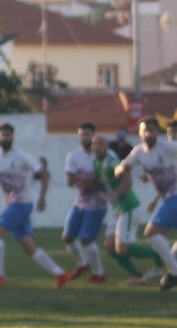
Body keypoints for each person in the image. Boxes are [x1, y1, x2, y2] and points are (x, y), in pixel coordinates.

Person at [0, 122, 69, 288]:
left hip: (22, 203)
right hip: (12, 204)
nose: (5, 137)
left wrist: (42, 198)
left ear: (12, 137)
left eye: (8, 135)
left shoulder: (21, 155)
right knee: (28, 246)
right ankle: (61, 274)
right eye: (2, 135)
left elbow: (44, 174)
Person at [115, 116, 177, 289]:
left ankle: (173, 271)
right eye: (145, 130)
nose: (148, 133)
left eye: (152, 130)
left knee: (151, 232)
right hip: (168, 197)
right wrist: (120, 170)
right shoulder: (139, 152)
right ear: (140, 133)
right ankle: (172, 271)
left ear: (157, 132)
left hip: (175, 195)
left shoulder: (167, 147)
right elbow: (122, 166)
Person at [93, 133, 163, 284]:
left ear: (106, 146)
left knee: (122, 249)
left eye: (99, 144)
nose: (96, 147)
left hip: (128, 207)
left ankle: (160, 254)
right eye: (94, 145)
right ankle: (137, 275)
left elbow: (128, 182)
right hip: (117, 210)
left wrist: (112, 194)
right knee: (110, 247)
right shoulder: (96, 163)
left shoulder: (112, 163)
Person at [61, 122, 108, 284]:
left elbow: (100, 181)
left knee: (86, 239)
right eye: (81, 135)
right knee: (67, 237)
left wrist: (82, 180)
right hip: (80, 201)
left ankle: (99, 273)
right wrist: (90, 180)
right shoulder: (73, 155)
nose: (84, 138)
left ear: (94, 135)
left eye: (87, 134)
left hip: (97, 202)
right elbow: (69, 180)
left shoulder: (102, 155)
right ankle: (82, 264)